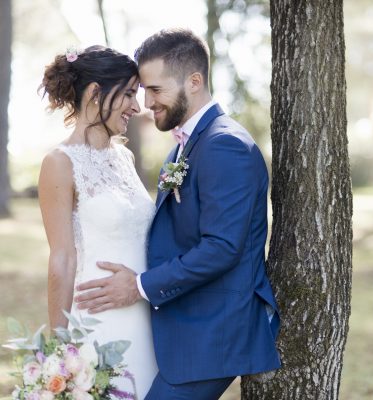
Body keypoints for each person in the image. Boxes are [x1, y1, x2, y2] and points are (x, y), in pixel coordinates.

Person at [75, 29, 281, 399]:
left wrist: (138, 286)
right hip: (185, 325)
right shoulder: (185, 147)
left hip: (213, 334)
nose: (146, 102)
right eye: (143, 91)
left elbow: (221, 247)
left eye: (155, 90)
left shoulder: (225, 145)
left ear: (195, 81)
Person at [38, 45, 158, 398]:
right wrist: (60, 352)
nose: (137, 107)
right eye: (128, 94)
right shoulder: (59, 162)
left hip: (145, 318)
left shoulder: (124, 156)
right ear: (95, 92)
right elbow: (61, 257)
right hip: (98, 321)